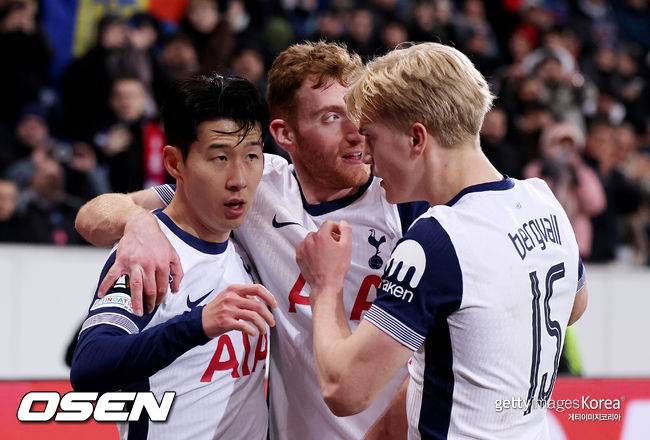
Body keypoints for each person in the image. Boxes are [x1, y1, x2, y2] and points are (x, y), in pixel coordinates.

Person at [75, 42, 428, 440]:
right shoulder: (258, 188)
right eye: (331, 117)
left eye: (358, 114)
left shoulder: (406, 206)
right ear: (285, 134)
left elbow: (435, 356)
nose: (355, 134)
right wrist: (139, 223)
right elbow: (94, 217)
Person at [294, 42, 588, 439]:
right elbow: (574, 306)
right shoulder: (542, 199)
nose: (366, 156)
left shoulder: (437, 239)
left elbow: (345, 390)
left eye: (372, 138)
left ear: (417, 139)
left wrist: (325, 284)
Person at [70, 73, 276, 440]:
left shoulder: (247, 230)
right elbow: (89, 367)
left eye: (251, 156)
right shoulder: (149, 254)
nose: (239, 179)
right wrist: (197, 325)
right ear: (174, 162)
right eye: (219, 157)